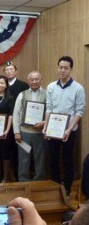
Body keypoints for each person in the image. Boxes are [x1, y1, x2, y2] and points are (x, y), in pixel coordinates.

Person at [43, 56, 86, 197]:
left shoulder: (78, 88)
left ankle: (67, 188)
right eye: (60, 67)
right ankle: (55, 187)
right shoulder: (50, 87)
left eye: (66, 68)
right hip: (53, 129)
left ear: (71, 69)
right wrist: (45, 126)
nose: (63, 70)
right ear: (57, 68)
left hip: (69, 130)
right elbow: (49, 108)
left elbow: (79, 111)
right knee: (53, 159)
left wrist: (68, 129)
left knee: (68, 160)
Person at [13, 71, 46, 182]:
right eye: (32, 79)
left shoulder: (47, 94)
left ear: (41, 80)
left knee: (39, 158)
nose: (34, 81)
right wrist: (16, 132)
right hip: (24, 133)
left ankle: (39, 181)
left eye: (37, 79)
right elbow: (16, 114)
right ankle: (23, 181)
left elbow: (50, 112)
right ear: (28, 80)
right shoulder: (22, 94)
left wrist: (44, 122)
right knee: (23, 158)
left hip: (40, 133)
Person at [4, 61, 29, 181]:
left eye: (11, 69)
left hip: (19, 124)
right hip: (4, 125)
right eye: (7, 70)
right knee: (6, 150)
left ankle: (19, 176)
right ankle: (6, 176)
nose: (9, 71)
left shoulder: (23, 85)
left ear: (16, 71)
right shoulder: (1, 84)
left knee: (19, 150)